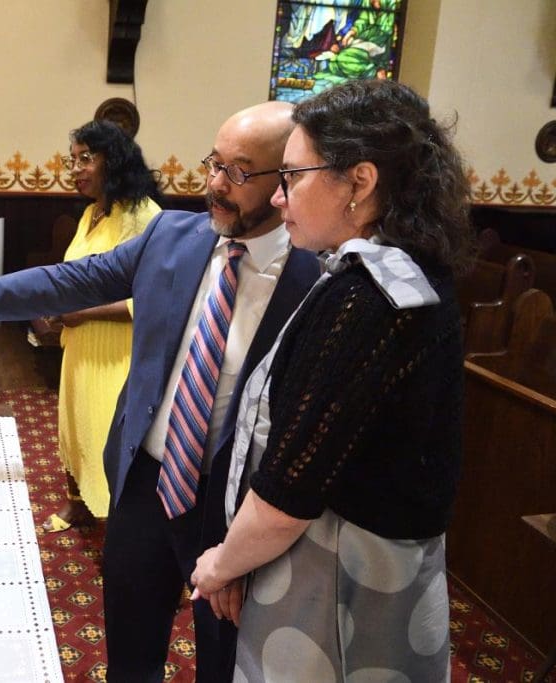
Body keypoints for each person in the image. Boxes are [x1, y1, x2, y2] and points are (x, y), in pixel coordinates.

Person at [0, 101, 321, 681]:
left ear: (285, 180)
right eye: (213, 163)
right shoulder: (171, 235)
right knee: (130, 654)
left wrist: (251, 544)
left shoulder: (316, 282)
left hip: (234, 509)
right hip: (143, 482)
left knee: (225, 659)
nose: (214, 184)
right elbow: (68, 281)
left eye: (238, 173)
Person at [191, 79, 475, 681]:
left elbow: (289, 493)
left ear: (361, 181)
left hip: (338, 579)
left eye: (292, 176)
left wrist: (220, 563)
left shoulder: (367, 298)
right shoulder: (408, 272)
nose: (278, 198)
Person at [39, 119, 162, 533]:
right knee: (74, 424)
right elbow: (76, 275)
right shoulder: (91, 213)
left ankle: (121, 525)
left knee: (107, 434)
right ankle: (77, 504)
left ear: (114, 161)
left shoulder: (144, 216)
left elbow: (150, 298)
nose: (74, 169)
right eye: (71, 160)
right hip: (79, 347)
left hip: (117, 350)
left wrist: (83, 313)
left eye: (85, 159)